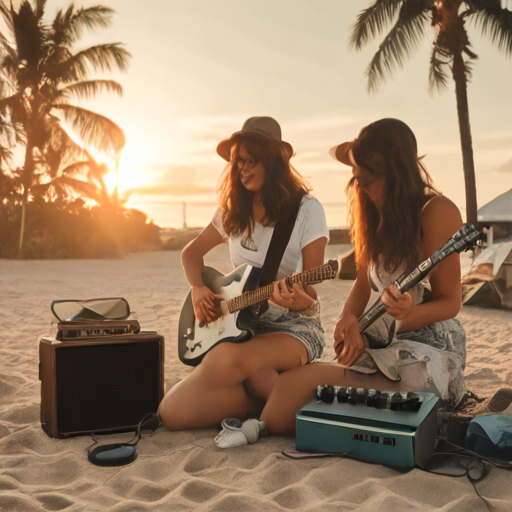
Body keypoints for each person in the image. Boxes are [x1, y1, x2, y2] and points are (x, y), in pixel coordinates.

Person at [253, 118, 467, 438]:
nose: (360, 186)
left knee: (281, 407)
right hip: (380, 343)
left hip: (424, 353)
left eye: (368, 177)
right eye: (356, 178)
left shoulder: (437, 211)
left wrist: (409, 314)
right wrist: (348, 319)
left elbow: (451, 302)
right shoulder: (376, 212)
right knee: (279, 408)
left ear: (395, 171)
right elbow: (364, 282)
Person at [158, 116, 330, 434]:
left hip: (295, 329)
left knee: (224, 358)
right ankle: (274, 399)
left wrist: (295, 301)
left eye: (252, 160)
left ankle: (283, 394)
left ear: (274, 161)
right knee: (174, 413)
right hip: (243, 329)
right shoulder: (232, 209)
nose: (243, 169)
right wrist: (198, 288)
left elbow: (310, 295)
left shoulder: (307, 210)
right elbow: (191, 254)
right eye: (239, 161)